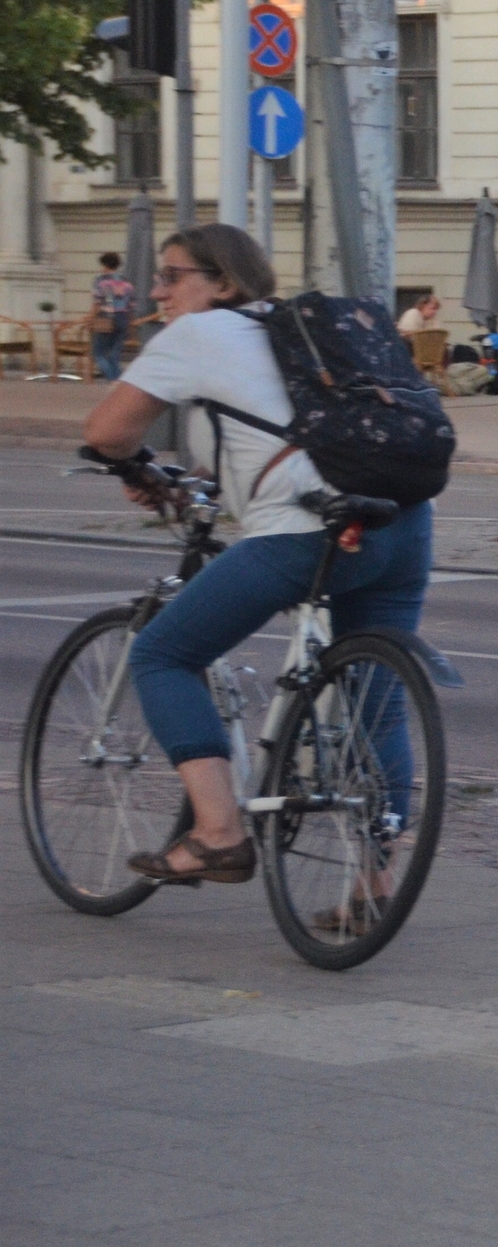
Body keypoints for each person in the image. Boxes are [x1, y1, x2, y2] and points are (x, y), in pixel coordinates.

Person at [78, 224, 434, 890]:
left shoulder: (195, 335)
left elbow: (107, 430)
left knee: (162, 654)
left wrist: (128, 464)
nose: (157, 290)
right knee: (377, 706)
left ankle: (217, 835)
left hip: (305, 528)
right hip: (404, 520)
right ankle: (374, 884)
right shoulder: (303, 330)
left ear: (223, 283)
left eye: (172, 274)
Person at [89, 252, 136, 382]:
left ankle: (115, 379)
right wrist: (131, 322)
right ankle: (121, 381)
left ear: (105, 265)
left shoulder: (101, 280)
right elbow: (131, 304)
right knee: (115, 354)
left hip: (106, 317)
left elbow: (97, 302)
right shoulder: (126, 281)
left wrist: (91, 318)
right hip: (123, 318)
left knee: (98, 353)